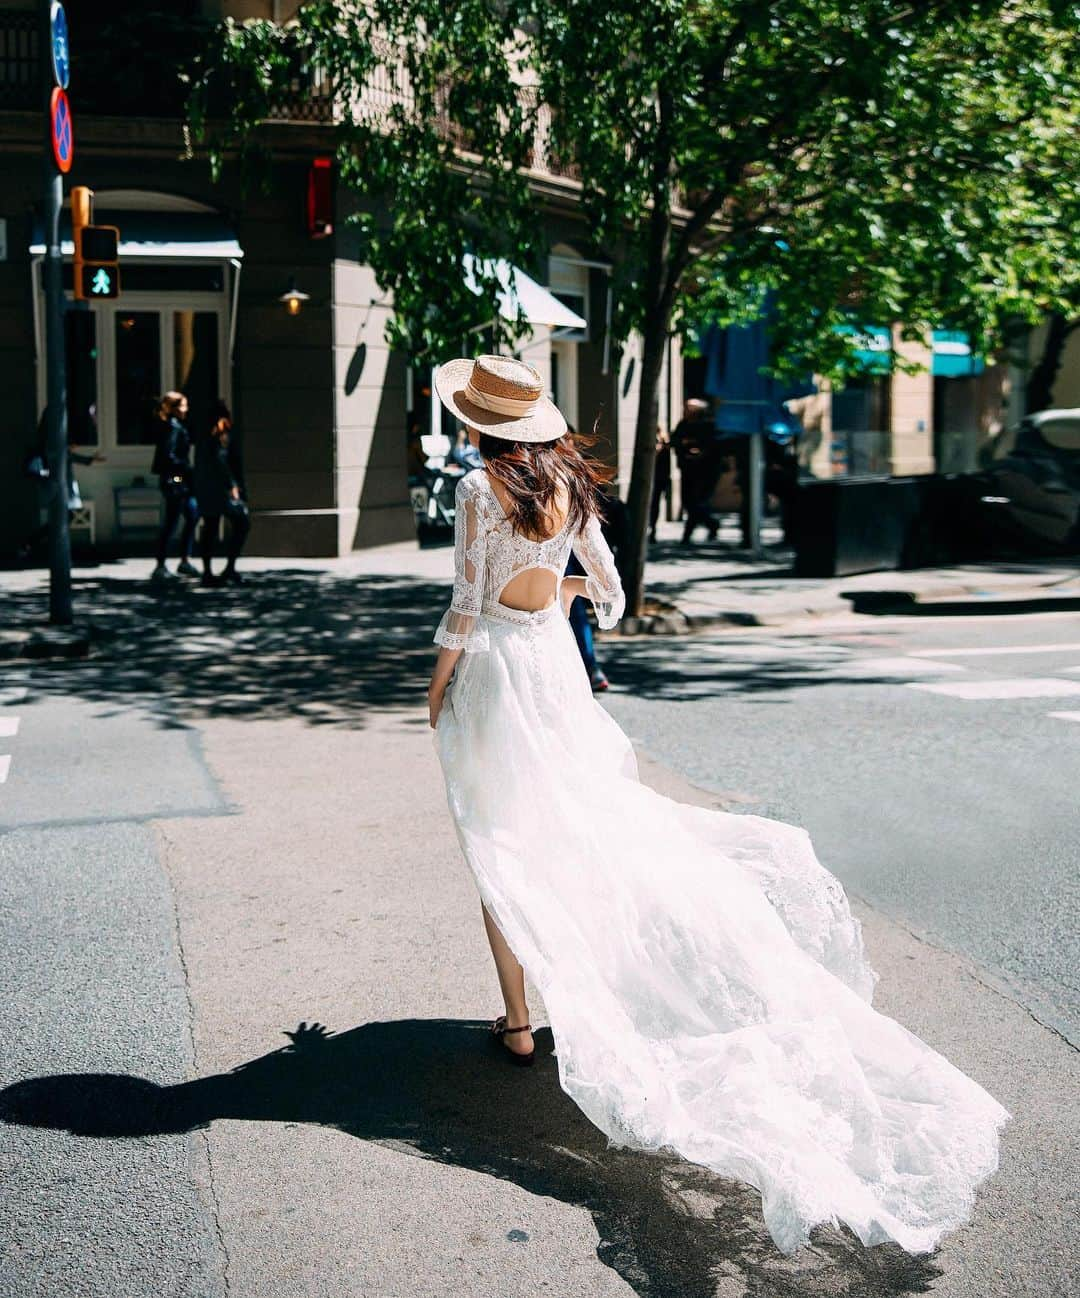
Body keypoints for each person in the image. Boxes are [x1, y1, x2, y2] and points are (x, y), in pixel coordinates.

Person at [426, 353, 1008, 1258]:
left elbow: (466, 605)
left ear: (478, 424)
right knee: (581, 836)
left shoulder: (475, 488)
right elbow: (612, 600)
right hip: (556, 673)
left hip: (501, 676)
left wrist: (437, 688)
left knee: (500, 843)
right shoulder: (571, 490)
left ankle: (518, 1022)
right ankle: (576, 997)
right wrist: (565, 592)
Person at [194, 400, 250, 587]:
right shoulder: (217, 434)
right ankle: (227, 568)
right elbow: (222, 462)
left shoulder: (206, 436)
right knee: (241, 522)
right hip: (220, 490)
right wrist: (233, 486)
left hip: (208, 489)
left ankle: (210, 572)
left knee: (210, 527)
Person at [150, 391, 199, 581]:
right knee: (175, 519)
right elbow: (168, 456)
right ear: (175, 408)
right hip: (176, 479)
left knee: (191, 514)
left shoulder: (174, 426)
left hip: (178, 479)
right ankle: (163, 564)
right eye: (183, 406)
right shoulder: (173, 428)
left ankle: (183, 560)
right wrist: (186, 469)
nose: (186, 410)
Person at [670, 397, 719, 543]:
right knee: (688, 502)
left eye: (689, 409)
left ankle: (688, 534)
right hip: (687, 469)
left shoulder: (708, 425)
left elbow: (714, 446)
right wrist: (684, 444)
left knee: (699, 502)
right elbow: (675, 441)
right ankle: (712, 524)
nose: (685, 411)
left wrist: (700, 451)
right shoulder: (683, 425)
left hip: (705, 471)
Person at [648, 424, 671, 543]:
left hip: (658, 480)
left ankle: (653, 529)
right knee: (652, 505)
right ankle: (651, 529)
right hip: (652, 480)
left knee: (654, 505)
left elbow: (666, 468)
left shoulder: (665, 448)